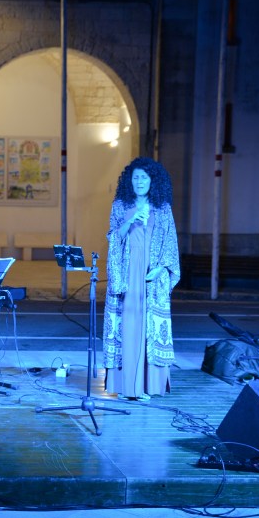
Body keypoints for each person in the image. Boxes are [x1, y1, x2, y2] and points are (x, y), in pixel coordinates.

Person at [102, 157, 180, 401]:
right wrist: (130, 221)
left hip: (152, 272)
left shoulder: (162, 208)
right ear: (129, 180)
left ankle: (148, 386)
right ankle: (128, 387)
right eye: (135, 177)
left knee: (149, 326)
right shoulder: (120, 205)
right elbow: (113, 237)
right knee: (129, 326)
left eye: (144, 177)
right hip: (127, 272)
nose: (139, 181)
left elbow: (170, 241)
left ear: (152, 181)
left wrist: (161, 269)